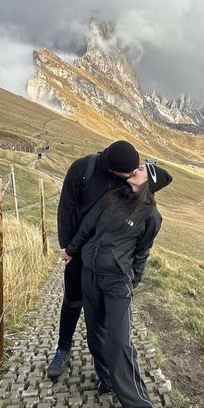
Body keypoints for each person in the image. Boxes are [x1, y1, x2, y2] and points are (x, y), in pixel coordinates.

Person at [62, 160, 172, 408]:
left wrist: (132, 282)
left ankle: (138, 405)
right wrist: (70, 250)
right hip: (91, 275)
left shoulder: (151, 217)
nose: (135, 169)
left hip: (116, 282)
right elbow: (87, 226)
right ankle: (108, 379)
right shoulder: (112, 197)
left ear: (148, 181)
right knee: (94, 337)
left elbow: (142, 253)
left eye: (142, 170)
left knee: (119, 342)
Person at [47, 140, 140, 378]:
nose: (132, 175)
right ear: (113, 168)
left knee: (105, 307)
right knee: (72, 300)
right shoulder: (81, 170)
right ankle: (62, 349)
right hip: (79, 251)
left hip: (108, 254)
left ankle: (108, 359)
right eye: (128, 172)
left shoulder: (126, 178)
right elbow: (65, 209)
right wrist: (67, 248)